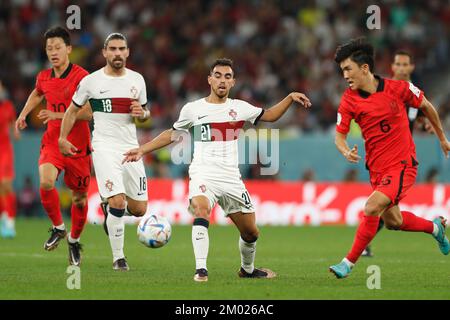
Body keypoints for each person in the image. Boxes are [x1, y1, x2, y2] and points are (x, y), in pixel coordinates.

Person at [122, 58, 311, 282]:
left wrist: (289, 97)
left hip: (231, 178)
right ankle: (201, 270)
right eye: (218, 76)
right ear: (209, 80)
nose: (222, 80)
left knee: (251, 232)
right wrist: (143, 150)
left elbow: (269, 115)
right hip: (203, 173)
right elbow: (172, 134)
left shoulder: (240, 108)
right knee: (201, 210)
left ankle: (247, 270)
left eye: (227, 77)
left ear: (233, 82)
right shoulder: (193, 109)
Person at [329, 38, 450, 279]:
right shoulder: (349, 99)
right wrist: (345, 151)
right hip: (376, 169)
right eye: (342, 70)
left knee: (371, 207)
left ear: (364, 68)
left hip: (403, 164)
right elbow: (339, 136)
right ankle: (436, 228)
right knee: (393, 221)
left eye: (348, 69)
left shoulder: (399, 89)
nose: (344, 75)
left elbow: (426, 106)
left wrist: (442, 138)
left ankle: (348, 263)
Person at [59, 33, 150, 271]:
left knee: (139, 209)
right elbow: (71, 111)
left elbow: (144, 114)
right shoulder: (91, 81)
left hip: (131, 147)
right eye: (113, 49)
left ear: (128, 52)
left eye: (122, 49)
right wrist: (62, 138)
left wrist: (144, 114)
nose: (117, 53)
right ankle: (119, 258)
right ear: (104, 52)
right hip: (104, 146)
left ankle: (109, 209)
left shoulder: (138, 80)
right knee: (119, 201)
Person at [15, 27, 92, 265]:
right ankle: (59, 228)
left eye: (58, 47)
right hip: (52, 142)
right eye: (49, 48)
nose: (53, 52)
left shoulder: (82, 77)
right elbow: (37, 94)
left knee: (79, 199)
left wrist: (58, 117)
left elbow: (89, 113)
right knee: (46, 181)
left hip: (77, 145)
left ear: (69, 49)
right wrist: (23, 114)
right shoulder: (44, 77)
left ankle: (74, 240)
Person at [362, 50, 430, 257]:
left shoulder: (414, 93)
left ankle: (362, 246)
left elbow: (420, 115)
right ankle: (434, 228)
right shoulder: (384, 90)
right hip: (382, 158)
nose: (401, 68)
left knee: (384, 209)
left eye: (405, 65)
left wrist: (424, 124)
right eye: (397, 64)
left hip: (401, 160)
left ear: (411, 67)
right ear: (392, 67)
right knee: (389, 214)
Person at [0, 80, 20, 238]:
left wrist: (16, 131)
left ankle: (10, 221)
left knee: (6, 184)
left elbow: (13, 123)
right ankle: (3, 218)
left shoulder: (7, 106)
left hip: (4, 150)